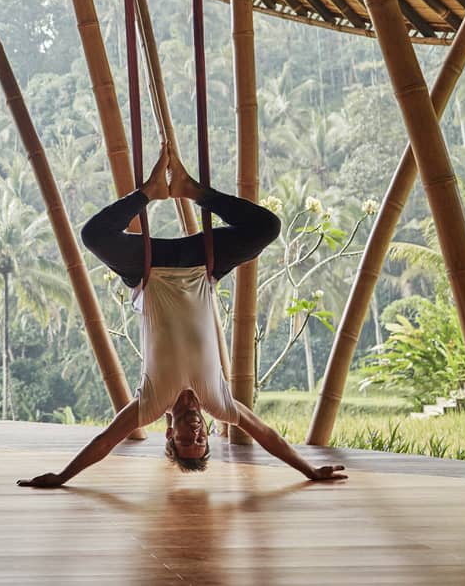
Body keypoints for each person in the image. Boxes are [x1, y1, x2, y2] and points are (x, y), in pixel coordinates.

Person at [19, 148, 346, 487]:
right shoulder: (219, 403)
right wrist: (310, 471)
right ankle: (195, 192)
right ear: (207, 433)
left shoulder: (149, 405)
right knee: (267, 227)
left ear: (169, 434)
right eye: (200, 441)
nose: (194, 434)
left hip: (148, 269)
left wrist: (62, 477)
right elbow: (267, 435)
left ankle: (149, 192)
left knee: (94, 236)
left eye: (186, 441)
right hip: (202, 265)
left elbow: (103, 441)